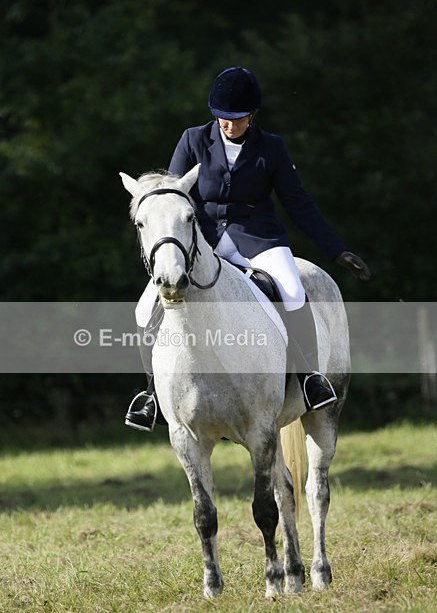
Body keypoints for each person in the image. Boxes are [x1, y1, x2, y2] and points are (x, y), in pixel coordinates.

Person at [125, 66, 370, 431]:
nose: (229, 125)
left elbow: (298, 203)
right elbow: (172, 195)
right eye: (223, 117)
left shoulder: (271, 147)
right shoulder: (192, 140)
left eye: (237, 119)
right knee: (146, 310)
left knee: (291, 292)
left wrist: (336, 250)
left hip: (258, 238)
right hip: (202, 243)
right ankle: (152, 396)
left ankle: (308, 379)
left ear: (252, 115)